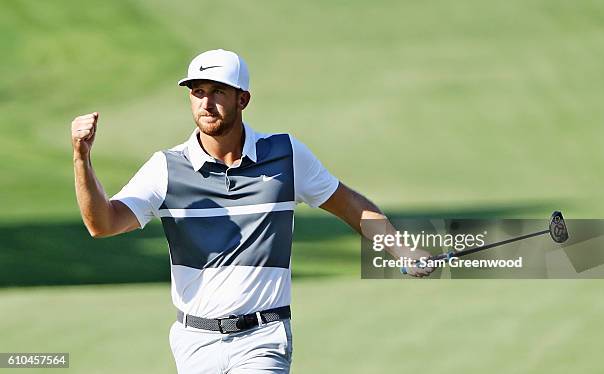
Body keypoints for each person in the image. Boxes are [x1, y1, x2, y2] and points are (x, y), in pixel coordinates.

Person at [71, 49, 433, 373]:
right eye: (197, 92)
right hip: (194, 341)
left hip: (263, 337)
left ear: (242, 99)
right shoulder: (166, 167)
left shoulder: (286, 154)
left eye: (218, 92)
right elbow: (102, 224)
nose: (205, 103)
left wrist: (402, 249)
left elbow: (349, 205)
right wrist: (82, 158)